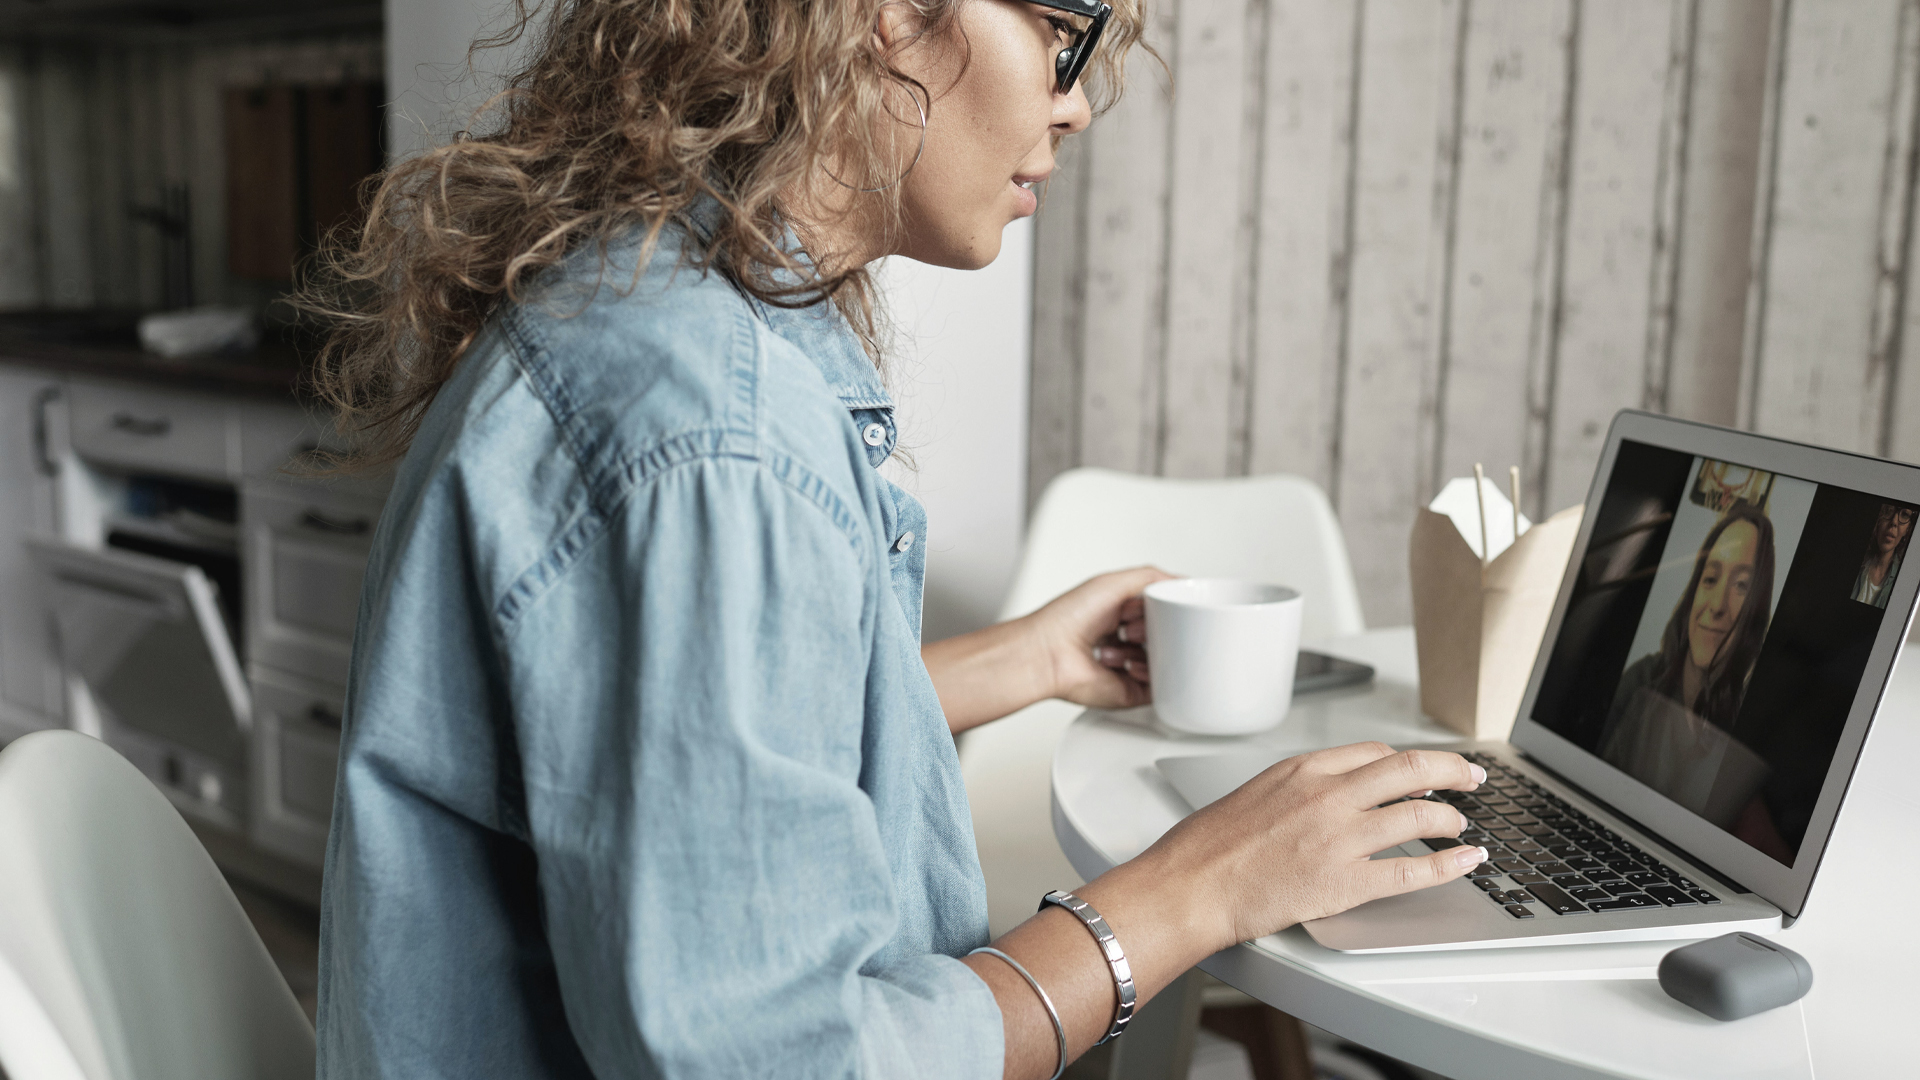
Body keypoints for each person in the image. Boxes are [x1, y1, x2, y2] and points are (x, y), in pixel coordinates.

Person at [301, 1, 1490, 1076]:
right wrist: (1191, 895)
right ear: (883, 16)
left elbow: (685, 760)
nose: (1073, 105)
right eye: (1062, 33)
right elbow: (782, 1063)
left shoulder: (648, 317)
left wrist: (1025, 659)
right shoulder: (719, 434)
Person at [1599, 503, 1775, 825]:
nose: (1717, 605)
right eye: (1710, 579)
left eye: (1740, 586)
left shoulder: (1749, 727)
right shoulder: (1639, 683)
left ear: (1757, 608)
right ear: (1695, 588)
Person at [1849, 503, 1913, 609]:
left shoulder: (1904, 583)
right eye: (1889, 511)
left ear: (1907, 529)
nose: (1894, 522)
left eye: (1904, 515)